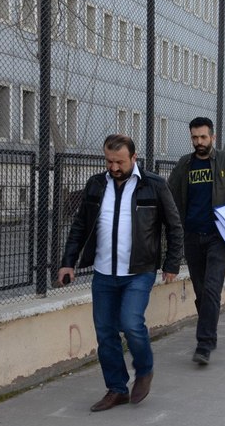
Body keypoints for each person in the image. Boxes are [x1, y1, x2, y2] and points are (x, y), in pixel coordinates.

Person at [58, 134, 184, 412]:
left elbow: (174, 227)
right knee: (105, 333)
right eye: (109, 161)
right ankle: (116, 389)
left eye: (120, 162)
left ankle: (145, 369)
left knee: (130, 322)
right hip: (104, 273)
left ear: (134, 158)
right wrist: (68, 261)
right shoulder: (95, 185)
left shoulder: (154, 185)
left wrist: (172, 263)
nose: (113, 167)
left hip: (139, 271)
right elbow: (80, 225)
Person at [167, 117, 225, 365]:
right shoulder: (185, 164)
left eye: (203, 137)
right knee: (201, 291)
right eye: (195, 137)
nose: (199, 142)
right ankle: (208, 331)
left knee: (212, 288)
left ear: (213, 137)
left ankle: (204, 343)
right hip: (192, 235)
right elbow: (170, 194)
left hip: (219, 236)